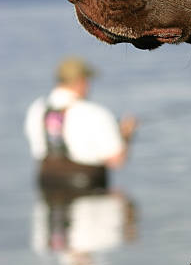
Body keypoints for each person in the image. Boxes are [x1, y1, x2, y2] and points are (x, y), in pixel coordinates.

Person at [24, 56, 138, 190]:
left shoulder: (37, 108)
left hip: (47, 184)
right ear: (81, 81)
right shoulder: (95, 113)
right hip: (88, 187)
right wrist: (126, 136)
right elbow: (117, 160)